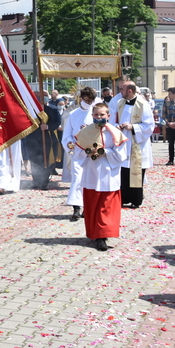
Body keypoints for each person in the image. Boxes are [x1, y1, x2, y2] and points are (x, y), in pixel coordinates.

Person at [74, 103, 128, 251]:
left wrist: (105, 152)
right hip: (92, 173)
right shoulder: (86, 131)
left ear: (108, 116)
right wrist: (88, 151)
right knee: (93, 205)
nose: (99, 117)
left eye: (102, 115)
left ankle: (103, 236)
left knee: (107, 207)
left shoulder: (115, 133)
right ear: (92, 115)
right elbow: (77, 153)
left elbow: (121, 155)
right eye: (96, 115)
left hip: (109, 175)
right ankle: (95, 234)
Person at [111, 82, 154, 208]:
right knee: (123, 171)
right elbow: (112, 120)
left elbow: (149, 125)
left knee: (136, 171)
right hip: (124, 142)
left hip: (137, 143)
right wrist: (116, 126)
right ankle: (123, 198)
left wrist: (132, 127)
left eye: (122, 89)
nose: (120, 91)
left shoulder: (142, 104)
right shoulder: (120, 103)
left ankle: (135, 200)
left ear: (130, 91)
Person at [61, 87, 98, 221]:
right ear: (81, 99)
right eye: (87, 101)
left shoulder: (96, 113)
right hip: (78, 152)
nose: (89, 103)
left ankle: (87, 208)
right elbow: (67, 134)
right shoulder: (74, 114)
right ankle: (76, 207)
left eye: (91, 101)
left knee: (90, 180)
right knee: (77, 178)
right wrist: (71, 143)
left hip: (93, 153)